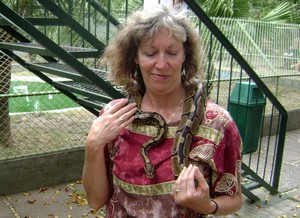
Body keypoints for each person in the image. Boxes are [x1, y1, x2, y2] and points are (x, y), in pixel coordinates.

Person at [82, 3, 242, 217]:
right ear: (135, 57)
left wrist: (208, 206)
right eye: (150, 53)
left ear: (185, 55)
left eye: (172, 52)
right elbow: (95, 200)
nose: (162, 63)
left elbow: (235, 198)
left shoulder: (217, 122)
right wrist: (93, 144)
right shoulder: (114, 118)